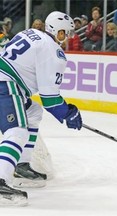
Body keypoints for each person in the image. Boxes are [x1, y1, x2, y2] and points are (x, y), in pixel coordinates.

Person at [0, 11, 82, 206]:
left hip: (5, 81)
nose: (67, 37)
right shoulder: (53, 51)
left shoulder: (29, 33)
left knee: (33, 111)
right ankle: (1, 180)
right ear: (58, 31)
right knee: (16, 131)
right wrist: (69, 113)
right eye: (66, 33)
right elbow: (51, 99)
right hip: (6, 85)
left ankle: (21, 165)